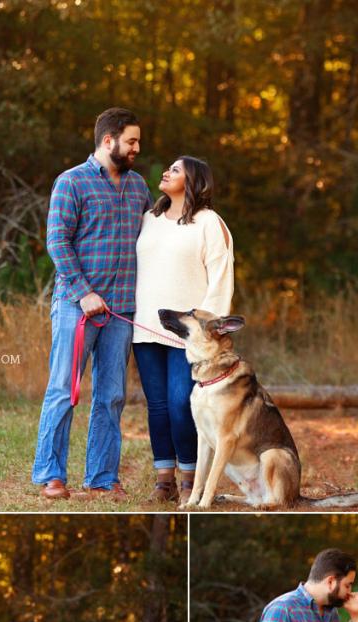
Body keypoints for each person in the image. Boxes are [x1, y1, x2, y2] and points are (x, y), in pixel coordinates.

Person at [32, 106, 153, 501]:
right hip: (75, 306)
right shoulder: (71, 183)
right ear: (108, 140)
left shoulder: (138, 187)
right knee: (63, 390)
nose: (137, 147)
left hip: (121, 311)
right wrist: (84, 292)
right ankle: (51, 474)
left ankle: (101, 475)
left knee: (112, 395)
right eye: (131, 140)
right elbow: (57, 242)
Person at [132, 156, 234, 503]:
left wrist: (211, 330)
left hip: (188, 335)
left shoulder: (209, 223)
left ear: (193, 181)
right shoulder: (150, 219)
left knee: (180, 403)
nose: (166, 172)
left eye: (176, 170)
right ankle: (164, 481)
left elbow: (221, 278)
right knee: (157, 405)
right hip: (145, 325)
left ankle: (190, 479)